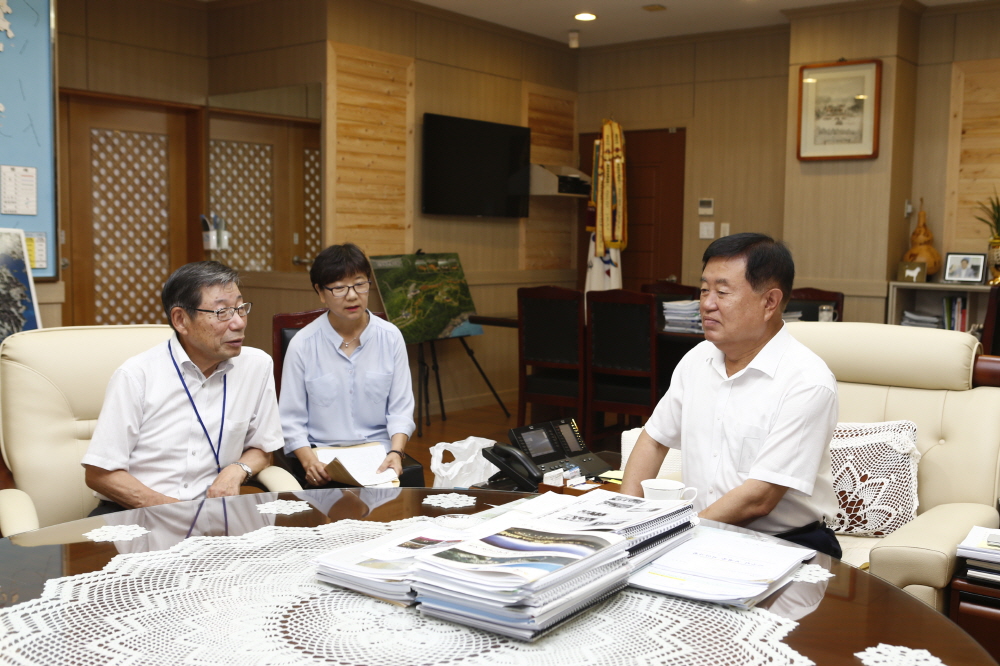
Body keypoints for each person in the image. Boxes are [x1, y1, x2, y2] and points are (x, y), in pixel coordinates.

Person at [620, 233, 842, 558]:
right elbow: (653, 440)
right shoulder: (697, 359)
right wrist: (628, 518)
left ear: (769, 302)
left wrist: (678, 534)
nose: (707, 303)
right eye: (704, 289)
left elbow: (760, 497)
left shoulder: (807, 382)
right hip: (702, 533)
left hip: (788, 544)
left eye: (722, 292)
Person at [82, 261, 283, 515]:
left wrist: (236, 470)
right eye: (222, 312)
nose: (239, 323)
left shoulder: (257, 366)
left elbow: (263, 449)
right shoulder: (136, 375)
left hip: (213, 515)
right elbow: (99, 474)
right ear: (181, 320)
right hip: (135, 512)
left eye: (241, 308)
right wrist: (174, 512)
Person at [279, 243, 415, 487]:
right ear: (321, 292)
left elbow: (401, 408)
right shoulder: (303, 344)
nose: (352, 295)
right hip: (324, 455)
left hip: (378, 453)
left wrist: (396, 452)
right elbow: (290, 420)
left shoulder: (391, 336)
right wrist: (309, 461)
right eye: (339, 288)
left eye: (360, 284)